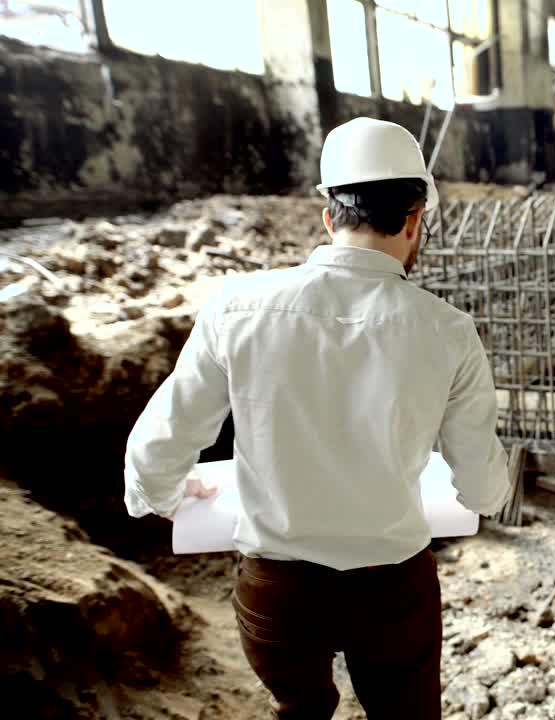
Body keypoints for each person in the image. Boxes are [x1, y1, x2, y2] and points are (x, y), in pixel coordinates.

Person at [123, 117, 511, 719]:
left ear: (329, 217)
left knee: (299, 710)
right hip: (393, 589)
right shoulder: (448, 331)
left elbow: (158, 445)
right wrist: (476, 493)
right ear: (414, 220)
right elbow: (482, 481)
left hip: (279, 592)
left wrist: (167, 493)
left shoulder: (236, 307)